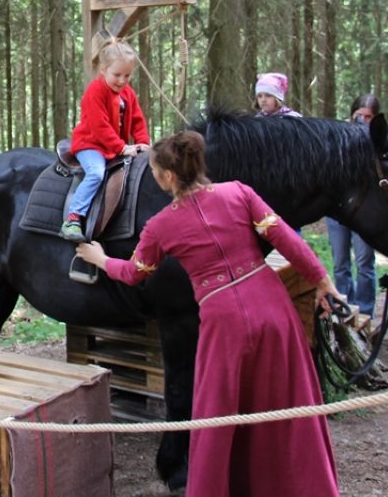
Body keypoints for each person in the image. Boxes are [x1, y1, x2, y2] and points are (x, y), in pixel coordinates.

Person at [76, 131, 340, 496]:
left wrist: (102, 260)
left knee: (221, 411)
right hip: (272, 306)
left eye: (153, 170)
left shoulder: (160, 225)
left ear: (168, 176)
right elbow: (285, 238)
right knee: (284, 402)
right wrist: (322, 280)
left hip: (223, 321)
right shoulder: (239, 192)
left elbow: (135, 274)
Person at [60, 40, 150, 242]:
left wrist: (143, 142)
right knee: (96, 173)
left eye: (127, 75)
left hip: (115, 147)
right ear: (103, 70)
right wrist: (122, 147)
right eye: (117, 75)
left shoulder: (128, 93)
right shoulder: (95, 91)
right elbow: (99, 127)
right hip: (91, 145)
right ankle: (73, 218)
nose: (121, 80)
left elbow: (137, 120)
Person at [325, 94, 380, 316]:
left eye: (369, 117)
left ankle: (366, 311)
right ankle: (346, 309)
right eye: (360, 116)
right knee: (340, 262)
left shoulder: (379, 141)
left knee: (365, 261)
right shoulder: (338, 137)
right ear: (351, 115)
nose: (363, 121)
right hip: (338, 211)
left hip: (364, 211)